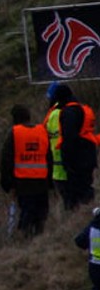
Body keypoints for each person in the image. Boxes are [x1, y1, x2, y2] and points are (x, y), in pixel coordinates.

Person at [2, 104, 53, 237]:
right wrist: (50, 181)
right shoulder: (42, 131)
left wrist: (7, 184)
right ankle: (38, 240)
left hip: (23, 183)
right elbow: (49, 156)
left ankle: (26, 239)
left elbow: (6, 161)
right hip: (42, 182)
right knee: (41, 215)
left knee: (27, 213)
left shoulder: (14, 133)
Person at [48, 84, 99, 212]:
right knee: (85, 191)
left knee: (75, 197)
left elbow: (68, 139)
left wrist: (67, 162)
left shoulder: (68, 112)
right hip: (88, 156)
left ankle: (80, 215)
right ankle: (88, 212)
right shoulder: (82, 109)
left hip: (77, 161)